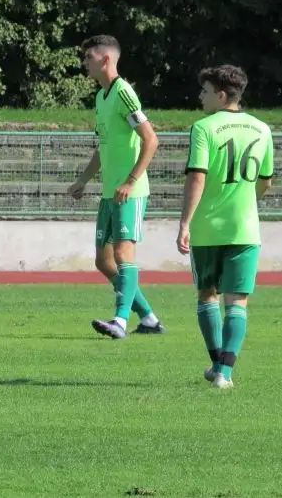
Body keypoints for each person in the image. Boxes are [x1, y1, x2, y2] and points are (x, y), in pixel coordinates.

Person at [176, 64, 274, 389]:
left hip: (207, 228)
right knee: (237, 301)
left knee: (207, 295)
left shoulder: (203, 128)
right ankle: (225, 374)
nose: (199, 97)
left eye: (204, 91)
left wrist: (185, 223)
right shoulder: (262, 129)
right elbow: (265, 182)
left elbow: (197, 176)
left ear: (220, 95)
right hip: (245, 228)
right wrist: (245, 201)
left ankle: (217, 362)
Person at [68, 34, 165, 339]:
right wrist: (83, 179)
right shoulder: (101, 97)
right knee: (103, 260)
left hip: (129, 192)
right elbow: (104, 146)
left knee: (124, 254)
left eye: (89, 58)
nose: (85, 63)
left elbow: (151, 139)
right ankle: (148, 317)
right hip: (111, 192)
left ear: (106, 59)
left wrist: (130, 181)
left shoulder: (124, 93)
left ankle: (120, 321)